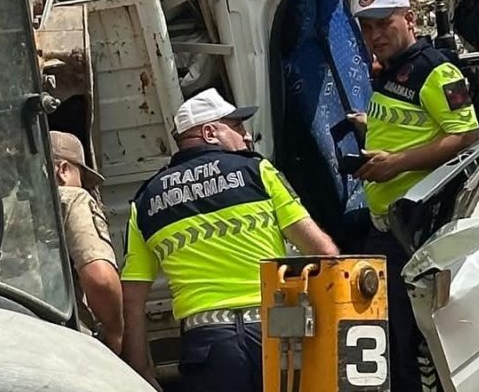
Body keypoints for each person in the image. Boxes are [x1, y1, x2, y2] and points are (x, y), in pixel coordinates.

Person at [119, 89, 339, 392]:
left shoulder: (145, 202)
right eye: (236, 127)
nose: (247, 137)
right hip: (282, 326)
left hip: (206, 343)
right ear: (210, 132)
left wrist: (140, 366)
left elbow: (132, 300)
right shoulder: (257, 172)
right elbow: (323, 252)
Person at [348, 0, 479, 392]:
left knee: (399, 336)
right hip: (387, 223)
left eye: (383, 24)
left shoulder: (436, 70)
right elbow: (412, 123)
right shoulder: (390, 71)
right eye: (366, 28)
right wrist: (369, 126)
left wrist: (397, 164)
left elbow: (466, 133)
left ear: (409, 18)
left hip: (416, 229)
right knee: (385, 331)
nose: (374, 36)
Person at [49, 130, 124, 355]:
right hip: (63, 342)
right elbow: (100, 278)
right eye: (81, 176)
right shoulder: (70, 198)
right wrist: (115, 332)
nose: (84, 186)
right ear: (62, 170)